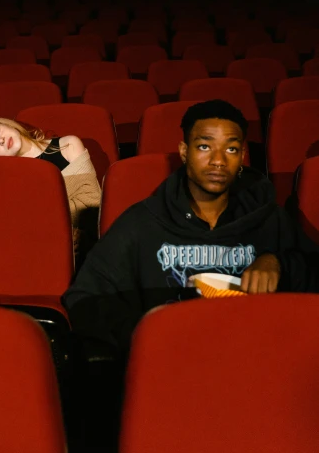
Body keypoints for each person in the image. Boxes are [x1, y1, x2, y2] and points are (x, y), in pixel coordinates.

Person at [63, 99, 313, 362]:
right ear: (184, 152)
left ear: (241, 157)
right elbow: (84, 298)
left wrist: (279, 263)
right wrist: (148, 336)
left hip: (254, 358)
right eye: (204, 146)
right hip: (170, 365)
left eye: (231, 148)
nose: (218, 160)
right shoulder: (142, 222)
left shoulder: (270, 219)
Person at [0, 117, 101, 254]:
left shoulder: (68, 145)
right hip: (51, 253)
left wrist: (45, 218)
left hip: (96, 245)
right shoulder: (12, 185)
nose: (0, 140)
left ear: (8, 125)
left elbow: (91, 204)